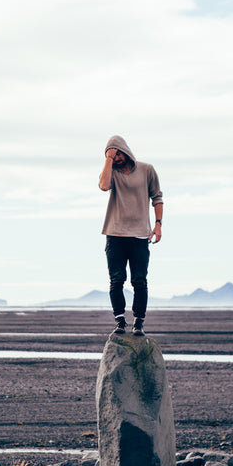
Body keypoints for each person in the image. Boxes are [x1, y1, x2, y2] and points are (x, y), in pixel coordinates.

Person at [98, 135, 163, 336]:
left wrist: (158, 225)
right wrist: (108, 160)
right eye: (112, 155)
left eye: (117, 153)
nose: (116, 158)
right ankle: (119, 321)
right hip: (115, 234)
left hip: (140, 236)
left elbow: (157, 197)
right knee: (116, 280)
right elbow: (103, 186)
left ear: (124, 150)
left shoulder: (147, 170)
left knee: (139, 281)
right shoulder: (112, 173)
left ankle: (138, 323)